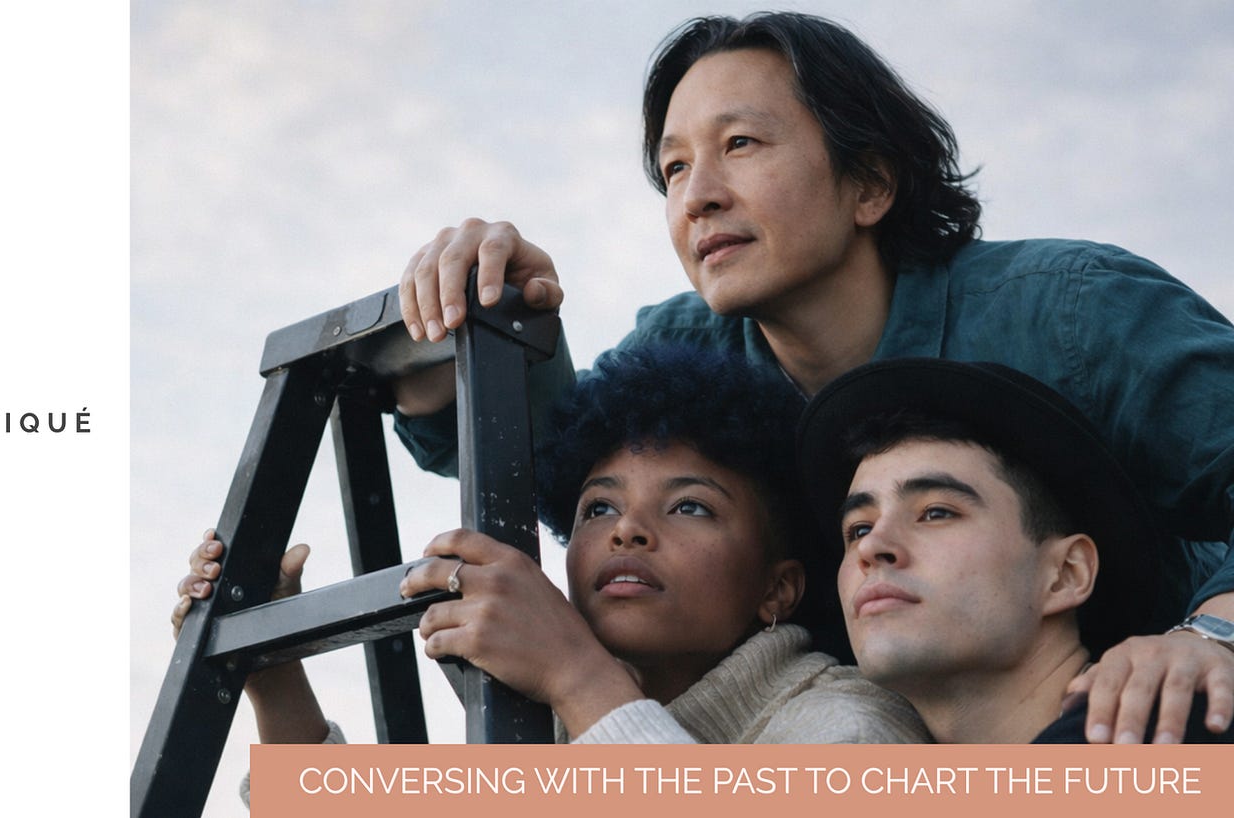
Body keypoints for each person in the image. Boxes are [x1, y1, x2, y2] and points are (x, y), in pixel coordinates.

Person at [389, 10, 1234, 744]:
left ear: (868, 184)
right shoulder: (684, 345)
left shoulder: (1077, 313)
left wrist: (1210, 636)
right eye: (675, 167)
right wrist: (477, 318)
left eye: (740, 145)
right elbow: (576, 474)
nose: (698, 197)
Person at [174, 345, 927, 757]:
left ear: (779, 588)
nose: (628, 531)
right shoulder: (542, 720)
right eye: (598, 506)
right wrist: (270, 673)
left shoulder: (852, 726)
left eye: (690, 505)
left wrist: (577, 675)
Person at [796, 358, 1233, 743]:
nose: (872, 546)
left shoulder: (1172, 727)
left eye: (936, 513)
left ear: (1066, 573)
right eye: (857, 529)